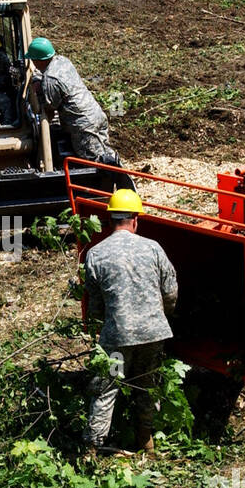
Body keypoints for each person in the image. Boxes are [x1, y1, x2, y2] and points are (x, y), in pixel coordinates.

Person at [81, 188, 178, 454]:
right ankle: (146, 443)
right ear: (136, 219)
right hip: (153, 334)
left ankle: (91, 449)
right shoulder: (153, 248)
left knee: (106, 388)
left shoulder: (96, 254)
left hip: (116, 339)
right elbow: (170, 291)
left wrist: (104, 323)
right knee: (146, 386)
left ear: (109, 219)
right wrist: (161, 316)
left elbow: (96, 304)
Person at [25, 36, 120, 164]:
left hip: (82, 125)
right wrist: (38, 79)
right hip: (96, 114)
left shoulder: (50, 80)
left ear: (39, 60)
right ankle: (121, 174)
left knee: (94, 161)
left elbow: (50, 110)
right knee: (106, 152)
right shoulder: (62, 61)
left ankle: (118, 179)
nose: (33, 63)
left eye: (33, 60)